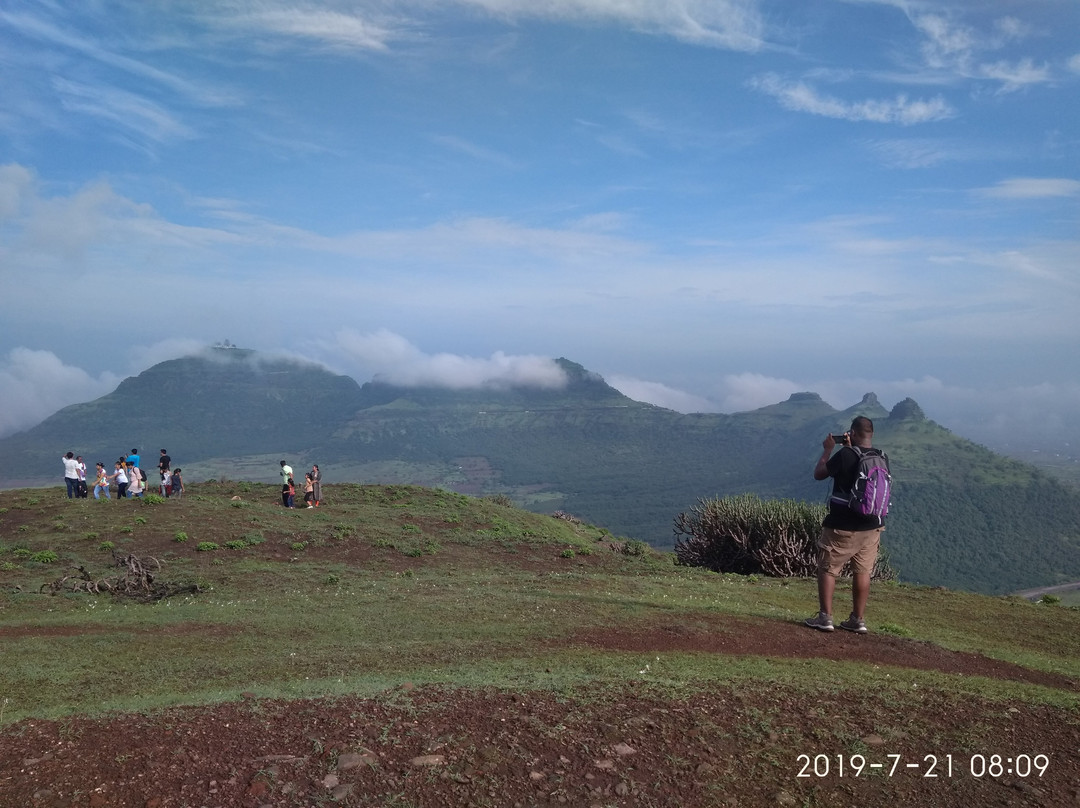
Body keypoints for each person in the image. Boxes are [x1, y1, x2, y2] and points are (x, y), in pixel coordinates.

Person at [805, 416, 887, 634]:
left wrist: (827, 450)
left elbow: (819, 474)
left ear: (852, 432)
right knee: (863, 571)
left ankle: (825, 618)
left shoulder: (845, 454)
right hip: (872, 526)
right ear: (870, 434)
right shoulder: (881, 457)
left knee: (828, 569)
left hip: (842, 525)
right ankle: (857, 620)